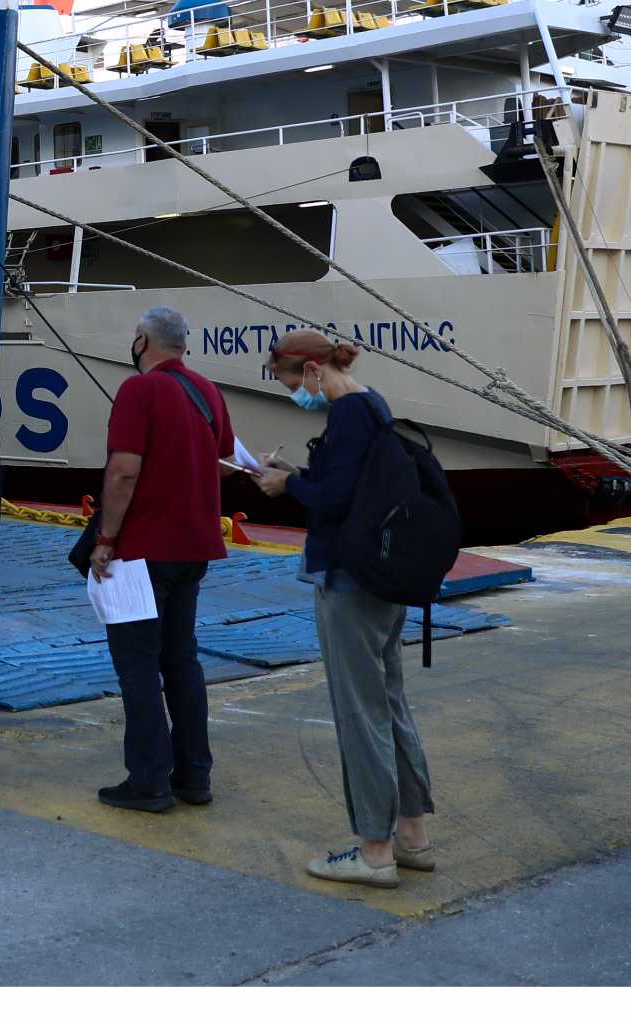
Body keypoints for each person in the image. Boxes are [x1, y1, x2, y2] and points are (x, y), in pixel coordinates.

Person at [253, 331, 434, 887]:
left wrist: (286, 484)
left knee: (360, 712)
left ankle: (374, 850)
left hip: (351, 580)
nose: (292, 393)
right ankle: (411, 834)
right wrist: (301, 476)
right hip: (385, 576)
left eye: (289, 381)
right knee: (390, 702)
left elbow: (336, 498)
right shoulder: (373, 403)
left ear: (311, 370)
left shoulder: (347, 412)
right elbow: (350, 485)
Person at [91, 305, 232, 812]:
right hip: (195, 549)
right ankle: (194, 777)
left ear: (142, 342)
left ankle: (148, 782)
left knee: (137, 665)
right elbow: (226, 463)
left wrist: (105, 539)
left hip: (143, 554)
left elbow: (124, 470)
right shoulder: (208, 392)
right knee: (182, 662)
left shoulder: (139, 390)